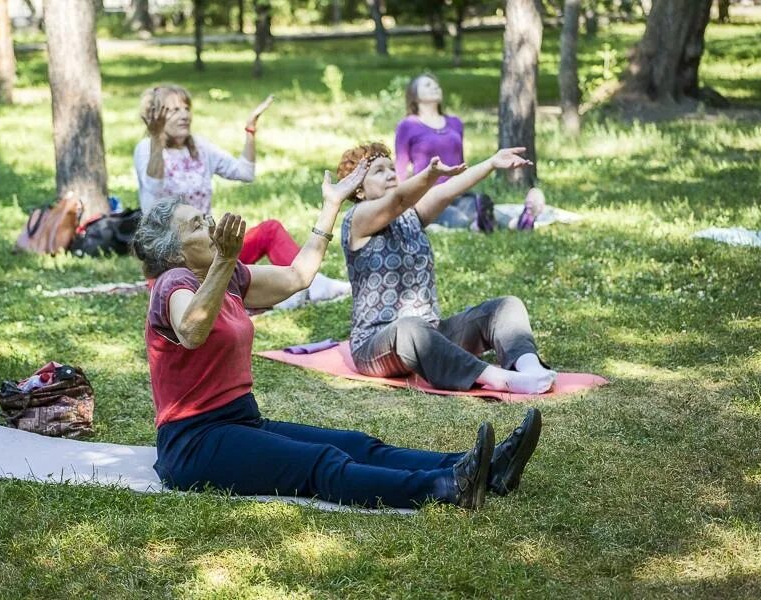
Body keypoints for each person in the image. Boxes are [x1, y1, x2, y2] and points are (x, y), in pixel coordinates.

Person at [131, 164, 543, 510]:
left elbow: (297, 276)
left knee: (356, 444)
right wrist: (224, 259)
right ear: (175, 253)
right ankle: (448, 487)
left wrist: (330, 206)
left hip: (240, 420)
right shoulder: (174, 283)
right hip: (193, 444)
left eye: (204, 216)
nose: (210, 223)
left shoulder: (229, 275)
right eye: (196, 226)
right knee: (320, 463)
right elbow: (191, 330)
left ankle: (489, 469)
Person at [338, 142, 558, 395]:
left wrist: (490, 163)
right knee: (408, 327)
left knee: (506, 306)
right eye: (378, 171)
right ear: (359, 191)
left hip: (431, 335)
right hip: (377, 346)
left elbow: (446, 191)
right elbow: (398, 200)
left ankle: (530, 368)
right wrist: (430, 174)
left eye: (391, 167)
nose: (390, 173)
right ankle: (500, 379)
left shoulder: (410, 216)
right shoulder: (357, 219)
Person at [134, 84, 350, 308]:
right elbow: (154, 186)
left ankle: (313, 284)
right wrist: (156, 139)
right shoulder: (145, 149)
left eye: (186, 108)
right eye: (173, 110)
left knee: (270, 230)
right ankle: (276, 296)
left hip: (211, 247)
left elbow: (244, 173)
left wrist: (250, 130)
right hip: (176, 258)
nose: (184, 115)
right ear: (155, 116)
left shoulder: (199, 148)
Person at [395, 73, 543, 231]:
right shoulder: (407, 125)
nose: (435, 87)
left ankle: (521, 222)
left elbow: (461, 162)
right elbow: (400, 168)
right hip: (430, 195)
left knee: (481, 208)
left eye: (436, 84)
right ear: (414, 95)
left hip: (459, 190)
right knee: (455, 216)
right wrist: (401, 203)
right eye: (427, 85)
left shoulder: (455, 123)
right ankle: (478, 225)